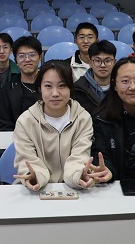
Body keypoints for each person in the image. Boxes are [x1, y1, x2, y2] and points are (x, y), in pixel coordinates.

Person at [13, 61, 102, 190]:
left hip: (73, 187)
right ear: (40, 88)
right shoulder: (25, 121)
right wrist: (35, 177)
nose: (55, 93)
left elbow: (79, 156)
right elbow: (27, 160)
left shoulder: (83, 118)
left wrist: (79, 175)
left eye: (62, 86)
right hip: (37, 190)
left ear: (70, 88)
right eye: (48, 86)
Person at [0, 35, 42, 131]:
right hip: (16, 137)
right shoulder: (7, 90)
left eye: (32, 54)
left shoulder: (51, 86)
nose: (27, 59)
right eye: (21, 56)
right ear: (16, 61)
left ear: (40, 57)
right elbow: (3, 124)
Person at [73, 40, 116, 115]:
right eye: (97, 61)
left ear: (114, 62)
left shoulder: (122, 86)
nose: (103, 65)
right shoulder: (78, 89)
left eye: (107, 61)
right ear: (90, 63)